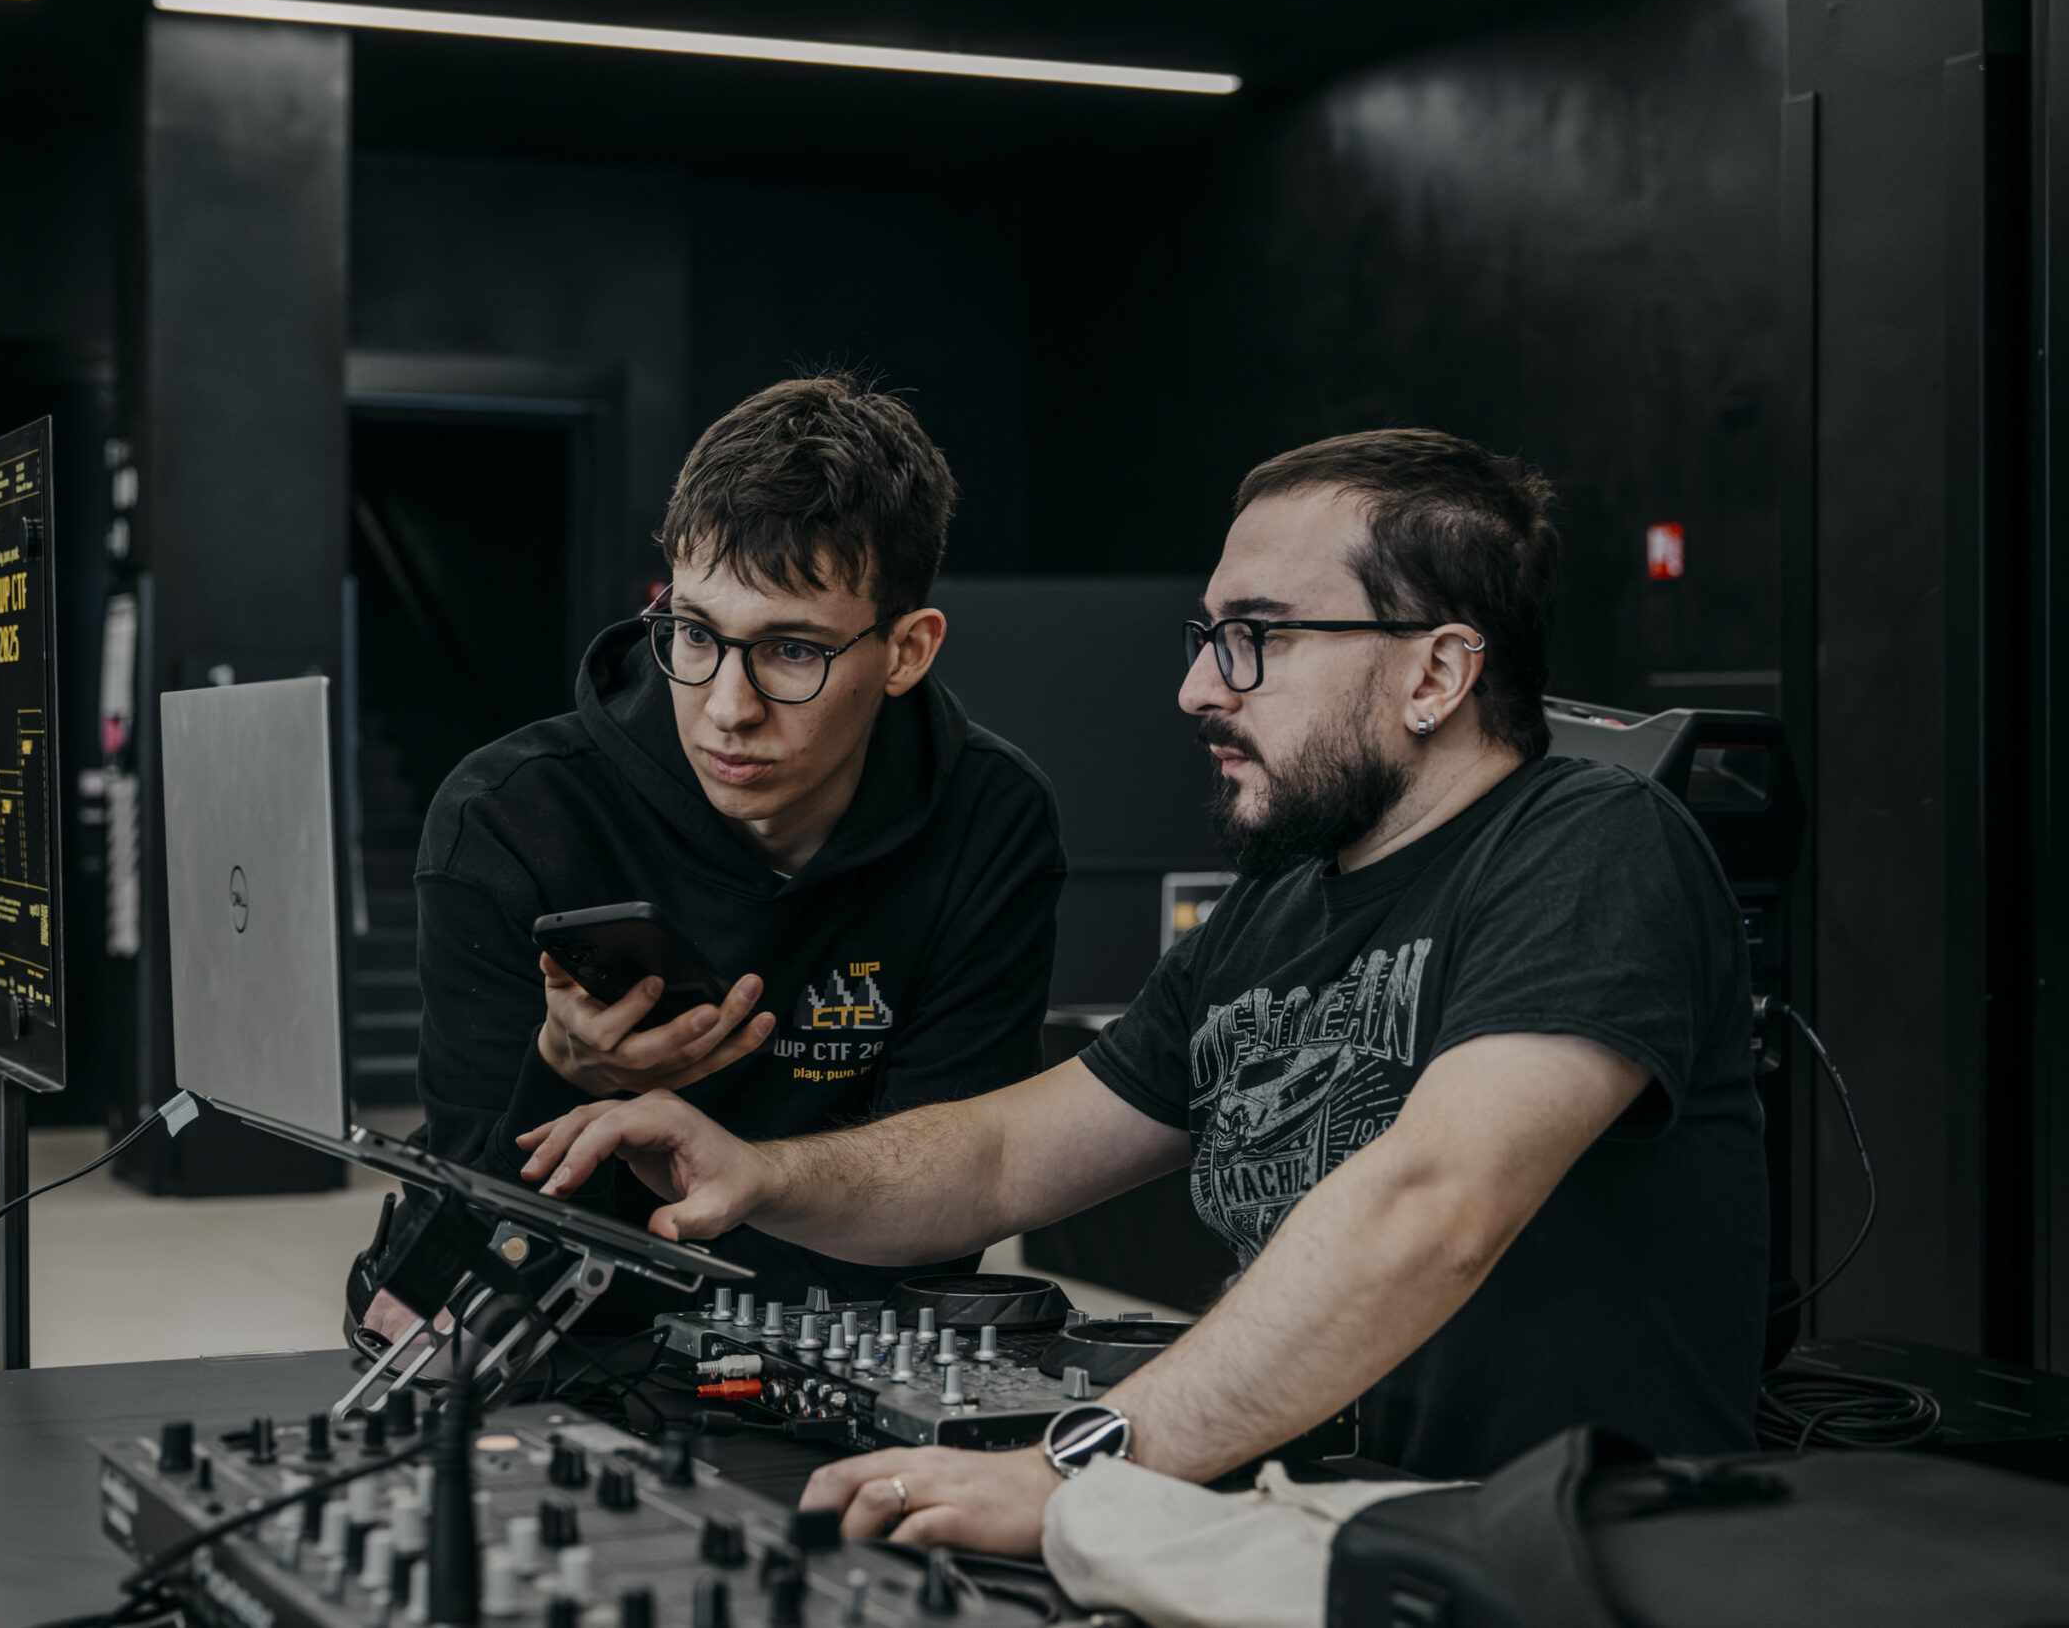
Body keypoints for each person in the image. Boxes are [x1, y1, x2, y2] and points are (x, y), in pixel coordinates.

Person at [514, 428, 1766, 1549]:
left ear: (1435, 675)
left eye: (1256, 638)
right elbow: (1006, 1158)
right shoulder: (1273, 911)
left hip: (1554, 1563)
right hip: (1309, 1535)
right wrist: (761, 1175)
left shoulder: (1593, 846)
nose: (1197, 688)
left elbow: (1431, 1204)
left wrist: (1077, 1467)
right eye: (1205, 636)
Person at [369, 374, 1065, 1339]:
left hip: (844, 1357)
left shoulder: (990, 819)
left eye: (792, 650)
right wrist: (563, 1072)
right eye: (695, 633)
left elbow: (944, 1206)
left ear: (908, 650)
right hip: (565, 1355)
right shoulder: (511, 820)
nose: (729, 709)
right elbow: (474, 1245)